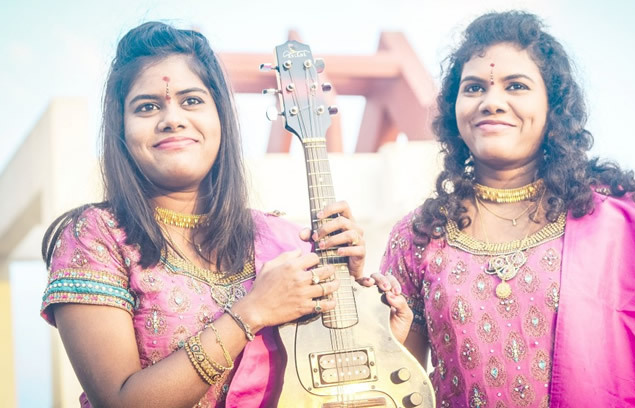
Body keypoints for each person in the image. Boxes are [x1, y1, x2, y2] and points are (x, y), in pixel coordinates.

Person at [39, 21, 398, 407]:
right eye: (147, 106)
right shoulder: (96, 237)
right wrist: (251, 313)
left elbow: (339, 379)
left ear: (221, 118)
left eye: (191, 100)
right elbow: (121, 402)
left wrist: (359, 297)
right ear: (120, 129)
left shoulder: (279, 239)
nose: (172, 118)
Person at [379, 11, 635, 408]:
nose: (493, 102)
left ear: (553, 106)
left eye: (516, 86)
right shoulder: (417, 237)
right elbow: (399, 386)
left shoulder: (624, 229)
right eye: (474, 88)